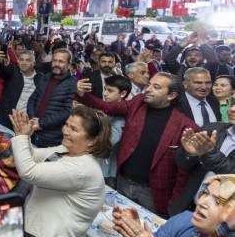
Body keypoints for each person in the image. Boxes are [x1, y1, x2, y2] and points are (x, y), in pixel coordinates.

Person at [8, 106, 109, 237]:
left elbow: (29, 172)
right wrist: (23, 135)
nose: (65, 130)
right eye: (66, 125)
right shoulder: (66, 150)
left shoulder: (83, 168)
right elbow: (32, 156)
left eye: (74, 129)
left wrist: (21, 138)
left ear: (93, 140)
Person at [76, 72, 197, 216]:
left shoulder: (185, 126)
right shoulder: (138, 102)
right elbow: (108, 107)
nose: (148, 89)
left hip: (152, 193)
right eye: (149, 84)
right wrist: (81, 94)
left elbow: (183, 171)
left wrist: (173, 205)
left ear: (171, 96)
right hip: (123, 182)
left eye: (156, 87)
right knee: (117, 223)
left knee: (143, 232)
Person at [171, 96, 235, 215]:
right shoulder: (213, 128)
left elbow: (231, 173)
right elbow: (181, 164)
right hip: (187, 207)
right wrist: (189, 153)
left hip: (222, 221)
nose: (232, 109)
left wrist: (208, 153)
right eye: (232, 103)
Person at [27, 49, 77, 148]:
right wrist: (33, 119)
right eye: (54, 60)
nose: (56, 64)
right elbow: (32, 100)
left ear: (69, 65)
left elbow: (67, 111)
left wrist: (41, 123)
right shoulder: (45, 78)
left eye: (61, 61)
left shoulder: (73, 83)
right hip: (33, 131)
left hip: (52, 137)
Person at [0, 49, 46, 128]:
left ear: (34, 63)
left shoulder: (41, 78)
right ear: (18, 61)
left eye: (28, 60)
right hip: (7, 118)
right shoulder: (13, 71)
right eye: (21, 60)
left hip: (27, 121)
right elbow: (2, 71)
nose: (24, 63)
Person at [100, 75, 131, 187]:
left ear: (122, 94)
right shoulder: (107, 110)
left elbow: (109, 141)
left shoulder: (121, 116)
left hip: (107, 173)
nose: (105, 93)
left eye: (110, 90)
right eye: (105, 89)